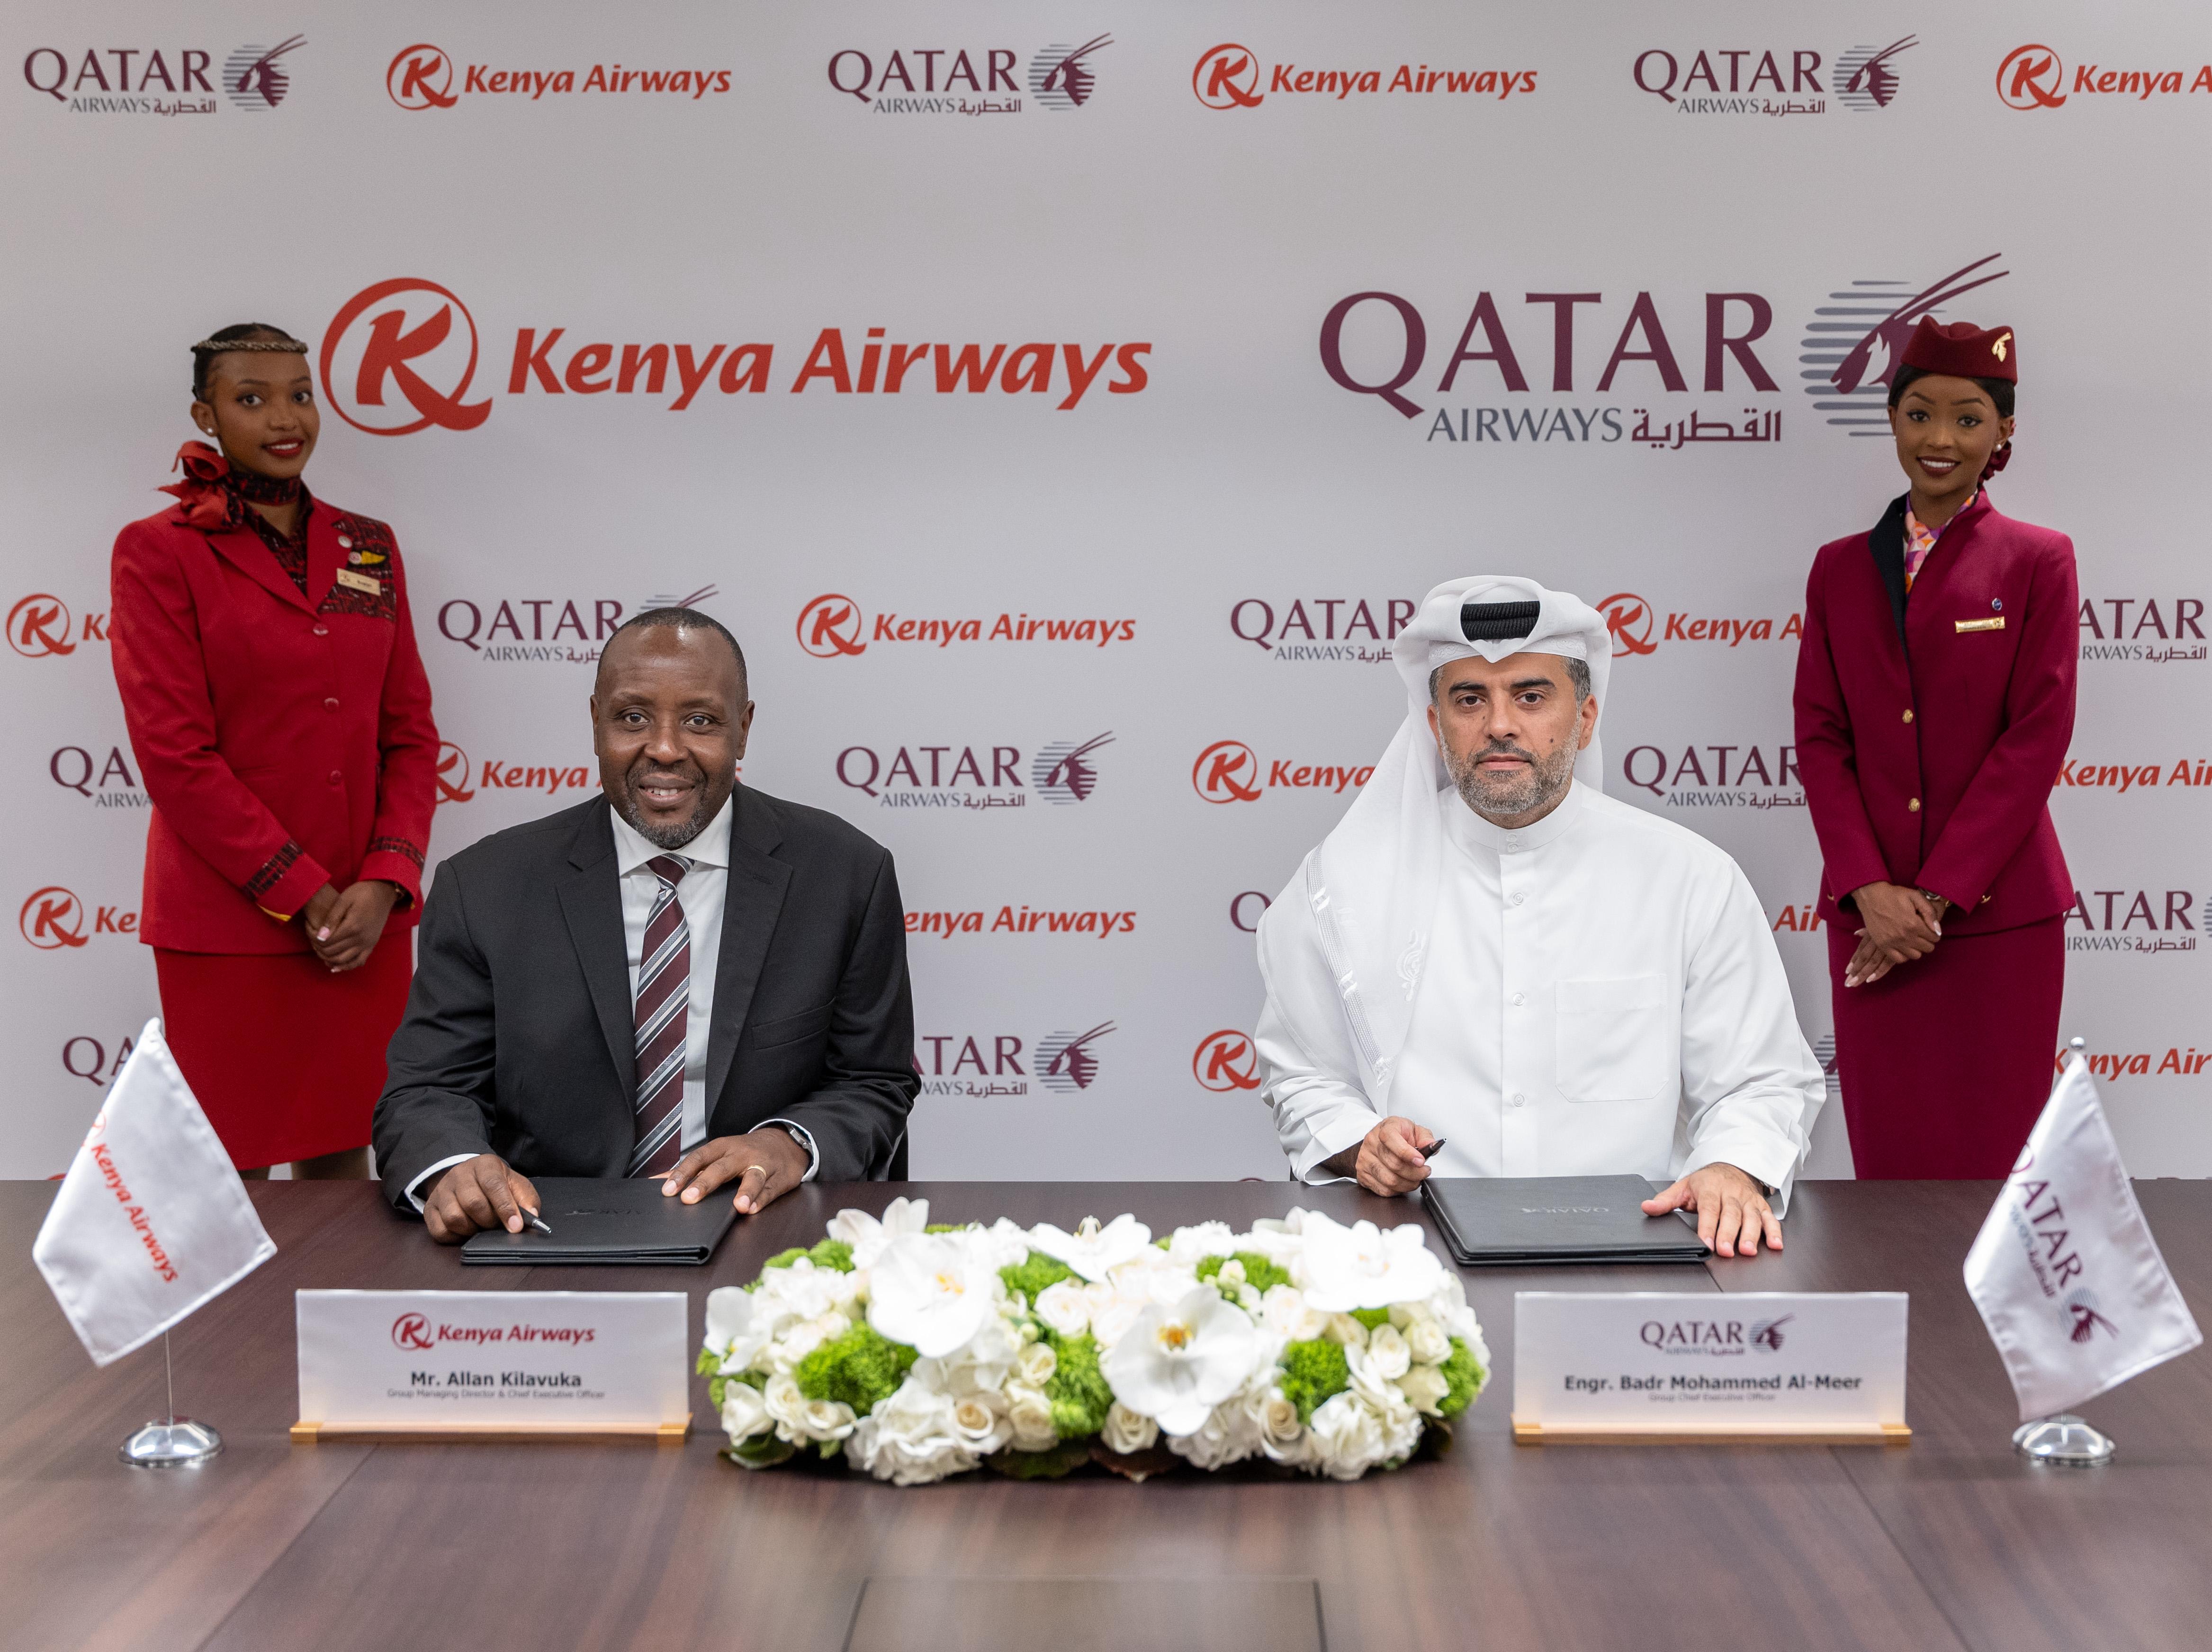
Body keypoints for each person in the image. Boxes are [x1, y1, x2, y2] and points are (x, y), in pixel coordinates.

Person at [1254, 577, 1824, 1257]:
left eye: (1530, 696)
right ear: (1435, 725)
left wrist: (1732, 1166)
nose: (1499, 724)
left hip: (1635, 1262)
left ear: (1585, 718)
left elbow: (1759, 1079)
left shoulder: (1689, 878)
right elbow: (1304, 1077)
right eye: (1470, 699)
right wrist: (1358, 1144)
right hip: (1410, 1260)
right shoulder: (1343, 883)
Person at [375, 607, 917, 1240]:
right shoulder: (484, 886)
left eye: (700, 721)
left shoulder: (845, 875)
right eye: (633, 717)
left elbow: (873, 1079)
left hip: (764, 1231)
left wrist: (790, 1144)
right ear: (595, 723)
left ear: (743, 730)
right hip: (546, 1232)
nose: (664, 749)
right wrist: (457, 1168)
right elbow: (428, 1091)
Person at [110, 324, 438, 1179]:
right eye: (250, 399)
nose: (284, 418)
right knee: (231, 1179)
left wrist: (385, 880)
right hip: (229, 921)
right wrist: (303, 893)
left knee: (347, 1180)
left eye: (299, 395)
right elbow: (175, 755)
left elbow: (409, 735)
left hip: (362, 921)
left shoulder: (370, 544)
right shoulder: (160, 549)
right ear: (206, 415)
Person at [1795, 318, 2077, 1177]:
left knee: (1997, 1160)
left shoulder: (2038, 560)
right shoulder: (1838, 568)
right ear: (1891, 419)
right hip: (1869, 916)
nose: (1939, 438)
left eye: (1967, 418)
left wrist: (1934, 897)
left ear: (2003, 431)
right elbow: (1820, 734)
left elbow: (2036, 736)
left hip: (1997, 918)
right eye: (1919, 414)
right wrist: (1869, 890)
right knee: (1889, 1159)